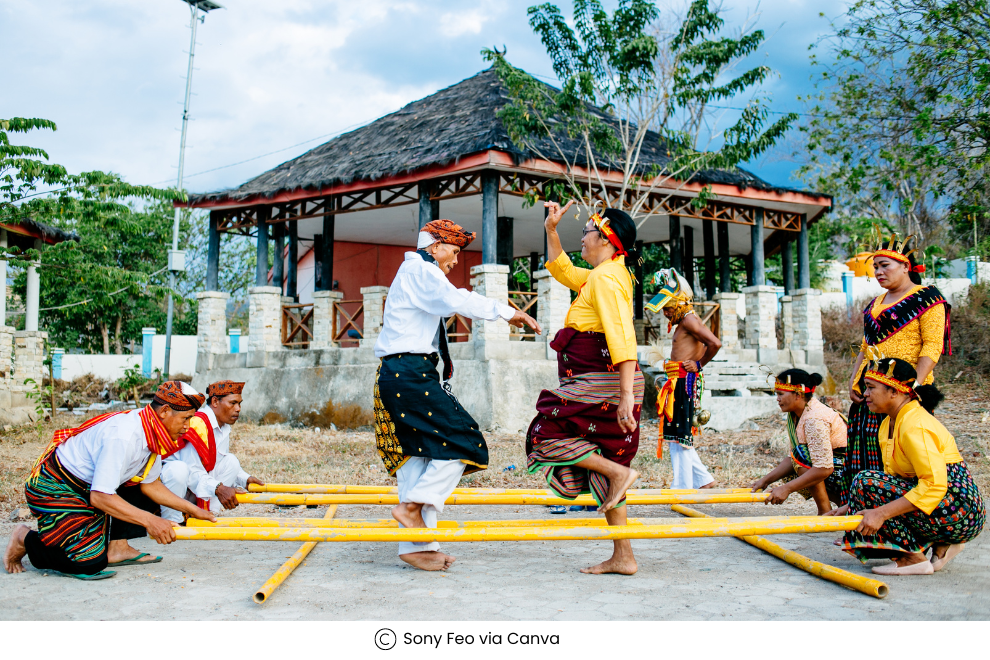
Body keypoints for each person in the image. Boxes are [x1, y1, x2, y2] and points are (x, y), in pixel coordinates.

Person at [373, 218, 541, 571]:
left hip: (403, 373)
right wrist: (507, 312)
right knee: (464, 440)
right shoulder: (421, 271)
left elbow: (447, 302)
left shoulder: (416, 272)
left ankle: (418, 546)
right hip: (408, 374)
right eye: (453, 250)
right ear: (435, 247)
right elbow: (456, 299)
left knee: (420, 457)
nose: (455, 260)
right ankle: (412, 509)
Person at [525, 202, 644, 575]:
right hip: (601, 379)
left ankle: (618, 475)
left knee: (543, 434)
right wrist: (551, 230)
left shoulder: (607, 279)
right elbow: (563, 269)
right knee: (609, 466)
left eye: (586, 233)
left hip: (604, 380)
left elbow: (623, 337)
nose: (583, 240)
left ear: (606, 240)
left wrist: (625, 395)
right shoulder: (603, 275)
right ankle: (623, 556)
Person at [4, 382, 215, 579]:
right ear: (165, 411)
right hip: (57, 486)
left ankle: (117, 547)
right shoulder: (124, 436)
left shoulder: (152, 431)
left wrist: (194, 510)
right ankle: (25, 539)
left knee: (137, 490)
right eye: (185, 419)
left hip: (90, 488)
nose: (188, 426)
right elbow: (100, 496)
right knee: (89, 563)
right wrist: (151, 521)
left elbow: (150, 485)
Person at [829, 358, 984, 575]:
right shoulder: (888, 424)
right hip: (942, 503)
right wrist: (849, 506)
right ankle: (935, 544)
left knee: (865, 482)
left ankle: (912, 557)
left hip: (960, 509)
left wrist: (881, 513)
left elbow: (933, 485)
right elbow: (892, 480)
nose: (865, 394)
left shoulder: (914, 425)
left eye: (871, 388)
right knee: (865, 484)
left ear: (895, 391)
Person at [843, 229, 950, 503]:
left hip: (904, 395)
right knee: (868, 457)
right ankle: (864, 522)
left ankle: (907, 525)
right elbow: (866, 347)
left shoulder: (928, 298)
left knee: (906, 459)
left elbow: (931, 347)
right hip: (871, 393)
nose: (878, 272)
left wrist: (912, 387)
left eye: (884, 265)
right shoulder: (874, 304)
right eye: (875, 267)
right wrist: (855, 380)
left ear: (905, 266)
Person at [646, 268, 722, 490]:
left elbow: (715, 343)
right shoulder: (685, 321)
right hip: (677, 381)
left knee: (679, 436)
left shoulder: (689, 320)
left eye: (668, 308)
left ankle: (683, 488)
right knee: (677, 434)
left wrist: (699, 364)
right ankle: (703, 480)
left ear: (679, 304)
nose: (665, 313)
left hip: (684, 382)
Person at [159, 380, 265, 523]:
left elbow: (219, 461)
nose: (238, 408)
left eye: (239, 404)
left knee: (231, 461)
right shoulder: (197, 424)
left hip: (194, 488)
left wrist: (245, 479)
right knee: (179, 470)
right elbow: (192, 472)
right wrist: (218, 488)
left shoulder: (223, 427)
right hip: (172, 485)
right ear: (215, 402)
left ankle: (209, 514)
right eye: (233, 403)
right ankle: (173, 521)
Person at [750, 369, 847, 514]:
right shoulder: (797, 414)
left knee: (802, 456)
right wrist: (765, 480)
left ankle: (826, 510)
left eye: (781, 394)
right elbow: (792, 459)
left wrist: (786, 488)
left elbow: (824, 468)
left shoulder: (814, 419)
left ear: (798, 394)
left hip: (846, 470)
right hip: (834, 466)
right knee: (798, 460)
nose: (777, 399)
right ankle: (839, 507)